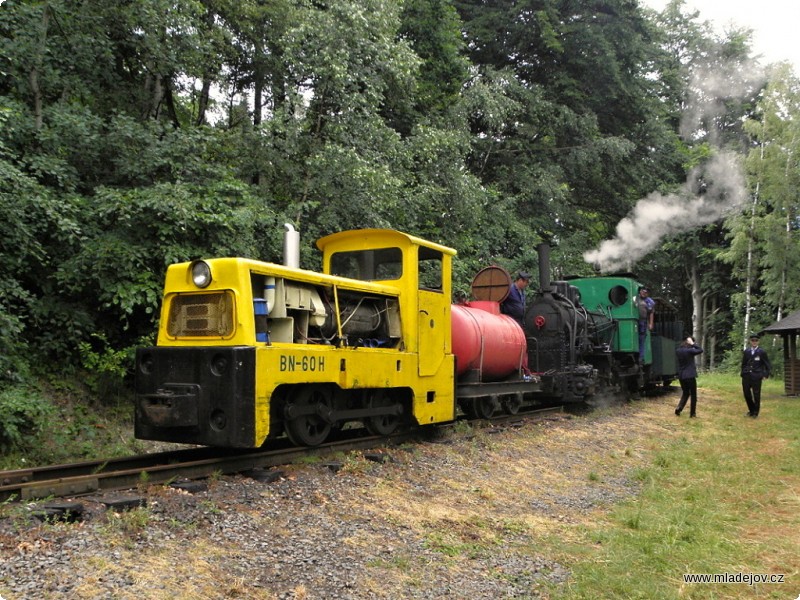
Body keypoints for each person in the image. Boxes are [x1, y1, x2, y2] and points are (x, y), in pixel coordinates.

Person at [741, 334, 771, 418]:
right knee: (746, 394)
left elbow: (767, 365)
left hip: (757, 375)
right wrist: (743, 372)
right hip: (747, 375)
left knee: (756, 394)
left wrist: (765, 374)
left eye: (756, 340)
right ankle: (751, 410)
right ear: (750, 341)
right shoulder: (747, 351)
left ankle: (755, 413)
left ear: (758, 341)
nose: (754, 342)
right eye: (753, 340)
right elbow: (743, 363)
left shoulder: (762, 352)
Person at [675, 337, 703, 417]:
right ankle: (692, 413)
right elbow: (700, 350)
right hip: (690, 375)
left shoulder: (678, 351)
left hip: (681, 376)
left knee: (685, 393)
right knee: (693, 394)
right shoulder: (690, 351)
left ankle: (679, 408)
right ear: (689, 343)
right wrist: (693, 344)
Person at [636, 287, 655, 362]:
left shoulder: (650, 301)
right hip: (634, 320)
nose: (644, 293)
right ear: (640, 291)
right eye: (642, 291)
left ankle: (641, 357)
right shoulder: (635, 297)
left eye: (645, 292)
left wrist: (651, 323)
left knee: (641, 338)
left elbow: (651, 313)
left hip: (643, 321)